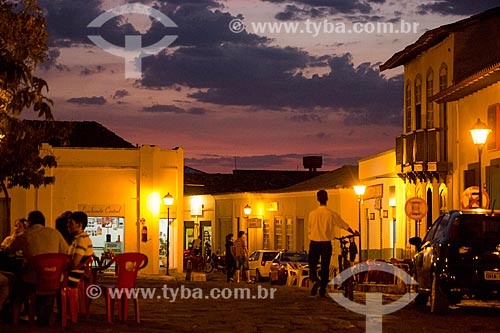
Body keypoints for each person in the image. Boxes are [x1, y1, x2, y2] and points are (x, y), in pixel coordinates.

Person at [308, 190, 356, 297]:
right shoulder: (331, 214)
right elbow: (342, 224)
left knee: (312, 266)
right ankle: (323, 287)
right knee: (325, 266)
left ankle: (316, 281)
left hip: (314, 243)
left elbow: (309, 229)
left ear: (317, 199)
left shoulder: (312, 214)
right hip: (326, 243)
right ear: (327, 199)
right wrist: (352, 231)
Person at [66, 211, 94, 288]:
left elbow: (75, 262)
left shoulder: (82, 240)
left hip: (74, 277)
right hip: (75, 275)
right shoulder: (79, 239)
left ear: (79, 225)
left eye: (71, 223)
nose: (67, 225)